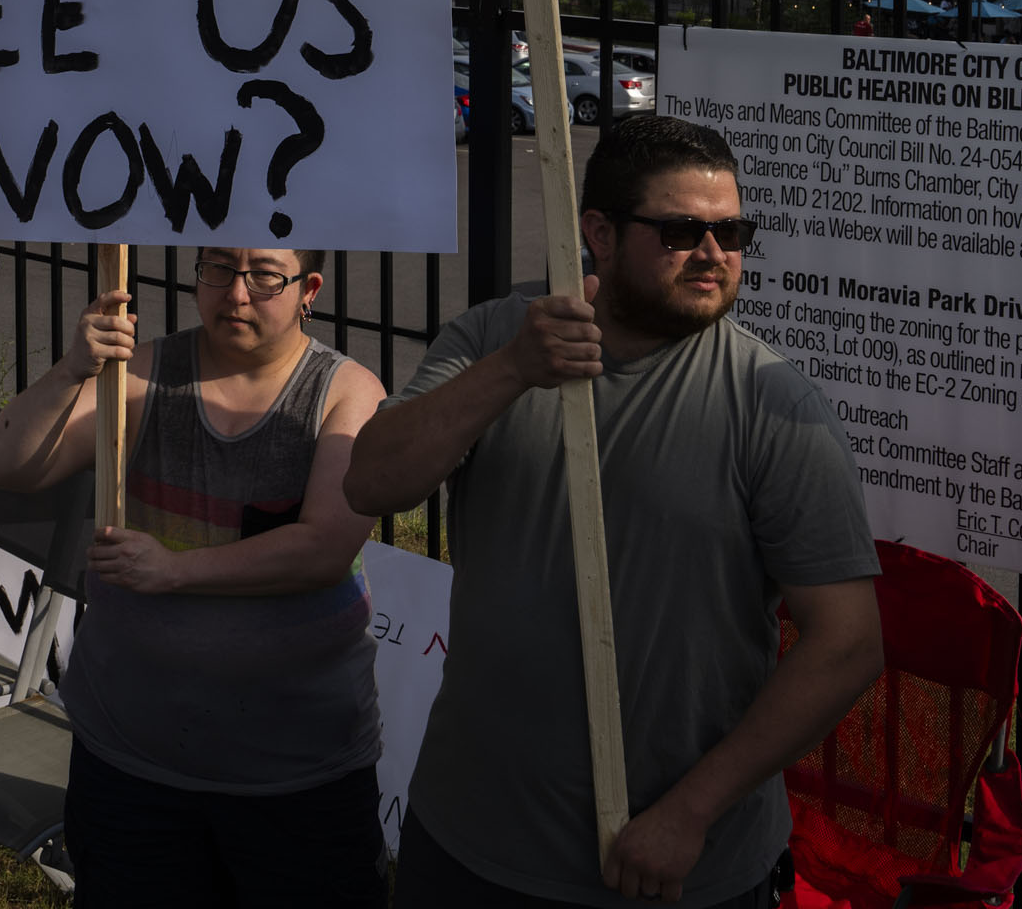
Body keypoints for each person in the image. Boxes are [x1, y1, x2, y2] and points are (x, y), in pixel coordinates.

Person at [346, 114, 884, 909]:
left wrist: (691, 810)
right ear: (597, 232)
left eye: (733, 231)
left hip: (671, 870)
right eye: (681, 231)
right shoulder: (498, 336)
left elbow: (847, 643)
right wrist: (513, 371)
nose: (714, 254)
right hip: (471, 842)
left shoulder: (769, 401)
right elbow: (372, 483)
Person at [0, 245, 389, 909]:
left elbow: (321, 549)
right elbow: (7, 467)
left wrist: (175, 571)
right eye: (218, 268)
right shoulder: (141, 374)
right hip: (131, 765)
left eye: (263, 275)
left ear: (308, 288)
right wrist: (71, 371)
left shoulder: (345, 391)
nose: (235, 294)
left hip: (295, 777)